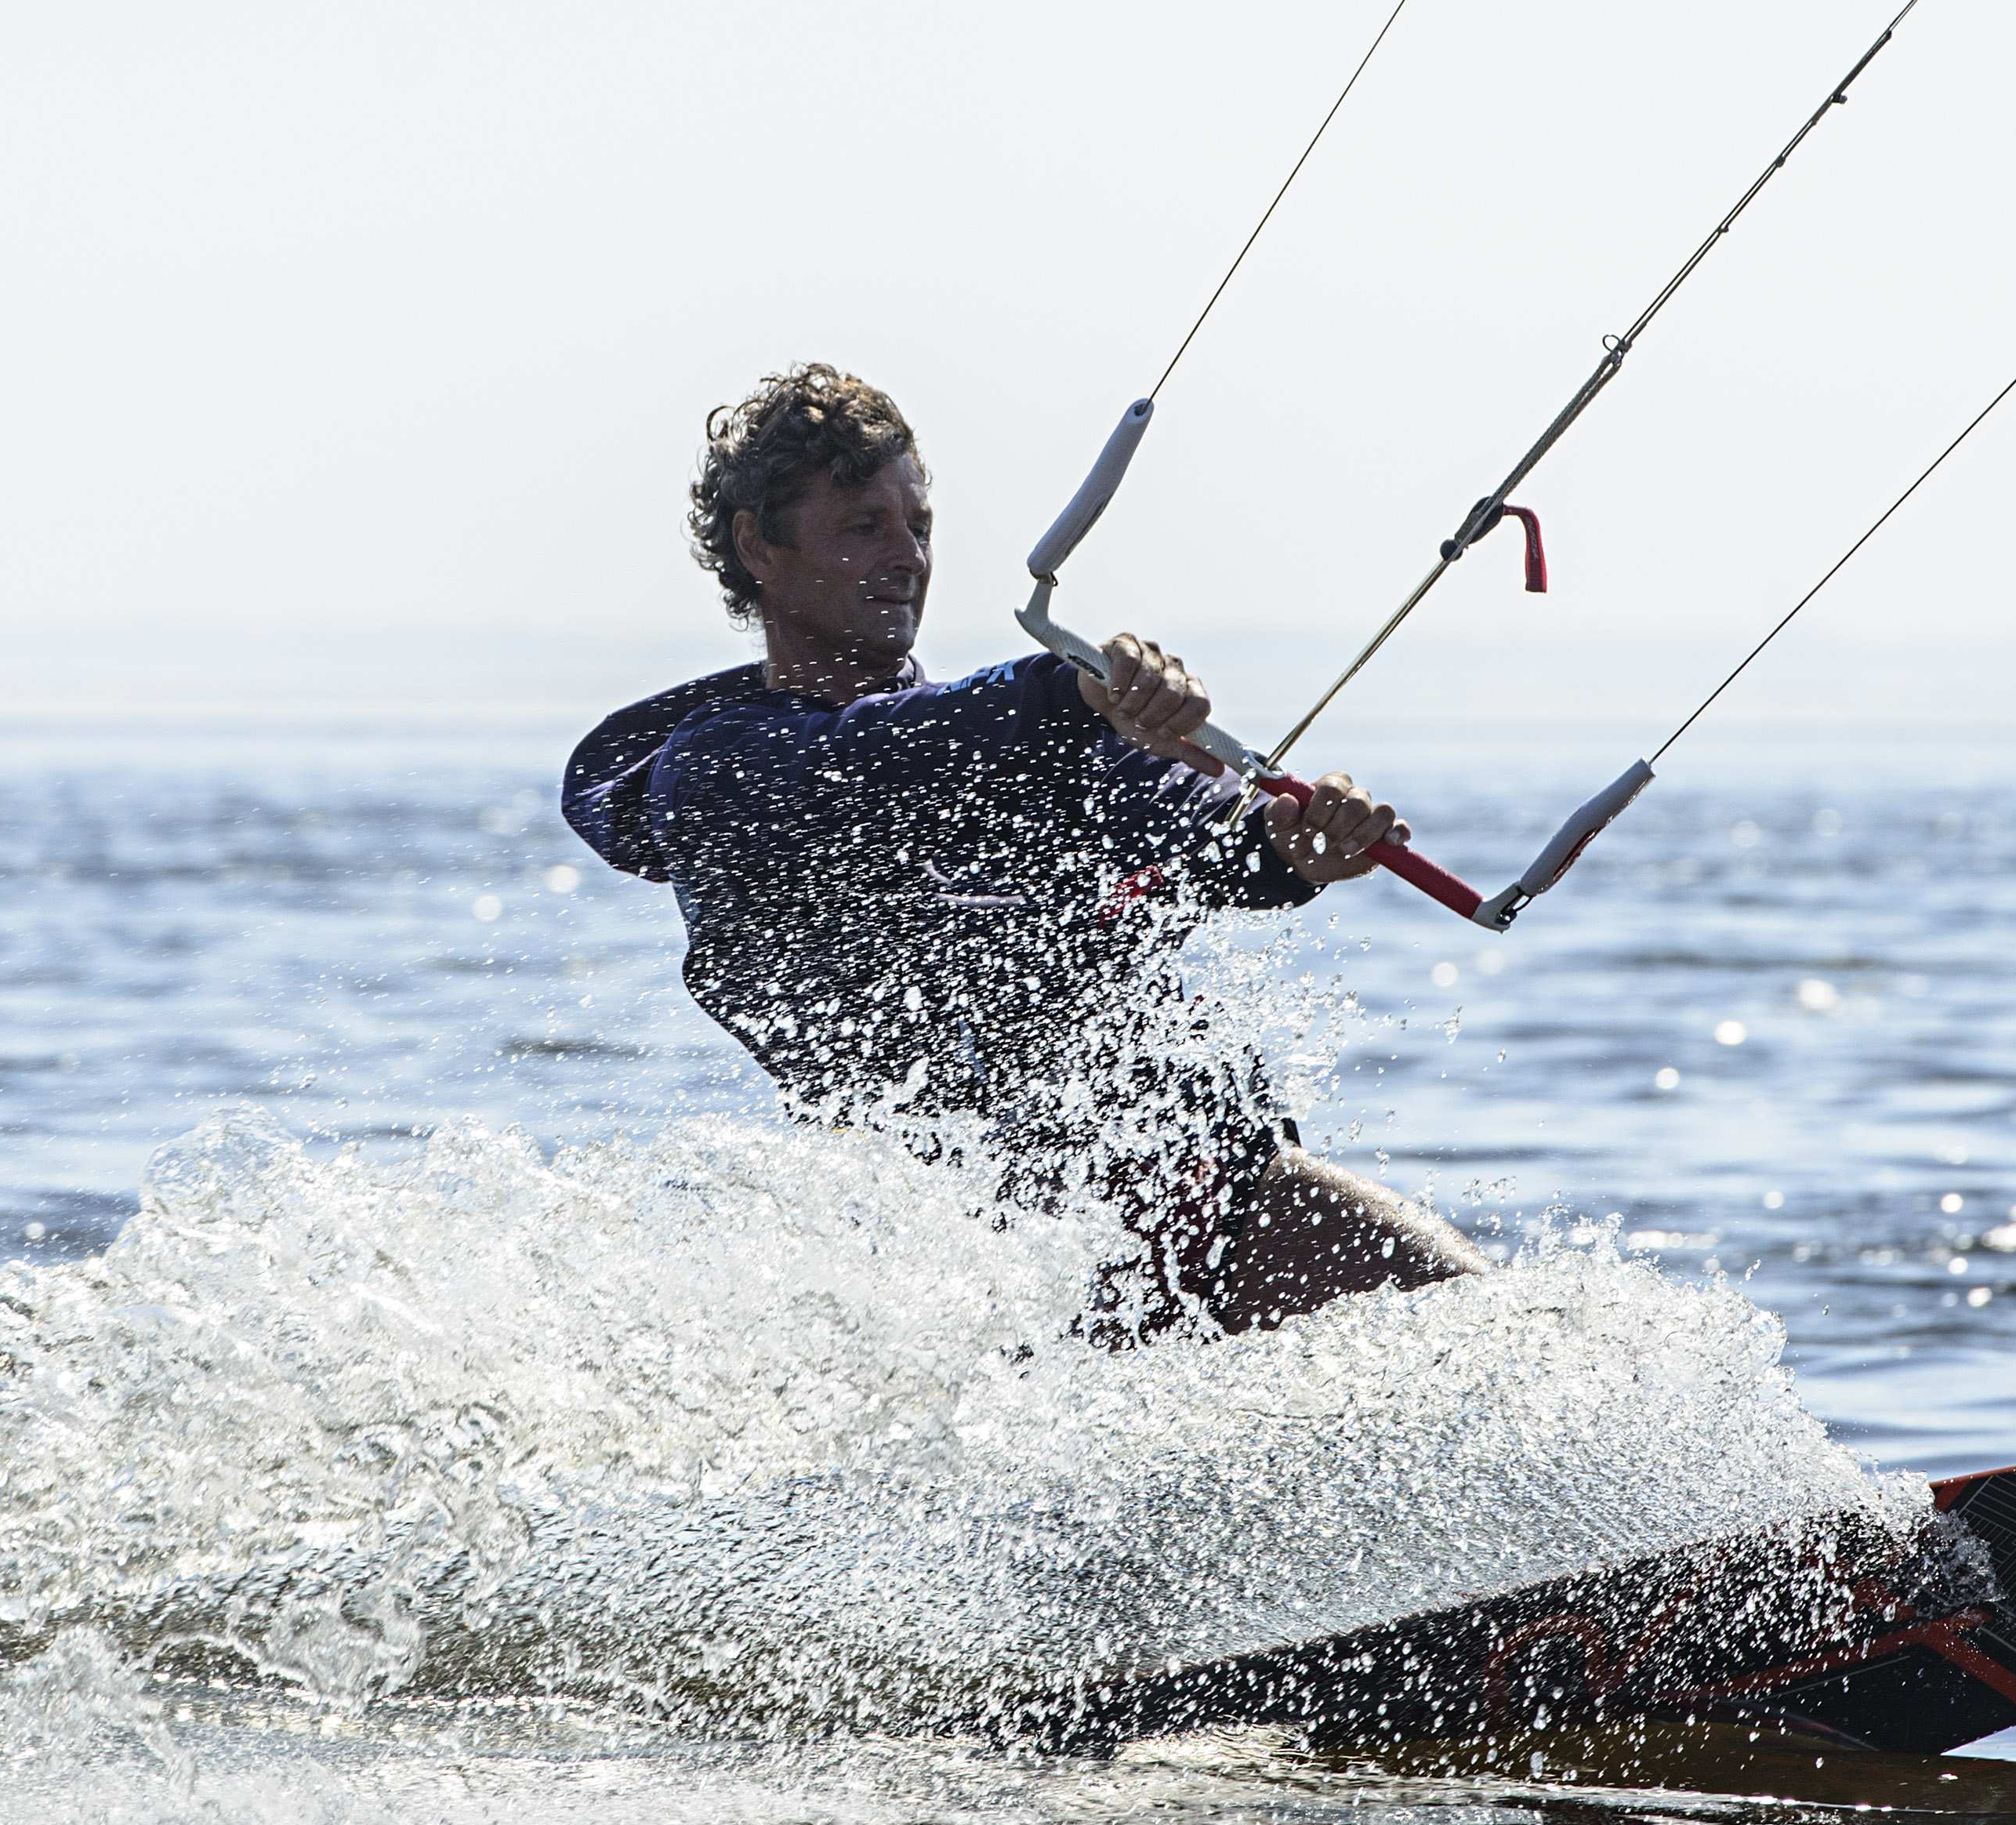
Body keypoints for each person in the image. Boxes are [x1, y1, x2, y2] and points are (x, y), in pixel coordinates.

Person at [563, 365, 1481, 1333]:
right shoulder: (717, 770)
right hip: (990, 1259)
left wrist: (1289, 849)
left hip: (1208, 1189)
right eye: (862, 527)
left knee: (1480, 1328)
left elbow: (1193, 843)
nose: (906, 556)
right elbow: (875, 762)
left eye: (918, 524)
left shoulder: (1011, 737)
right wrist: (1066, 693)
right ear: (760, 547)